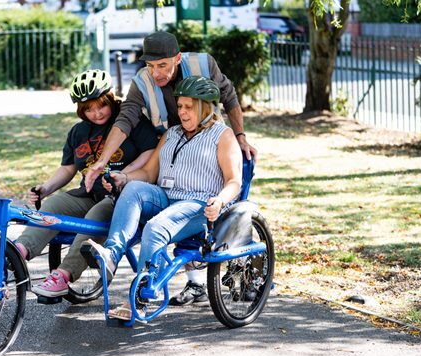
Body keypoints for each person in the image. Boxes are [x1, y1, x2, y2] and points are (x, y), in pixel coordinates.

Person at [84, 30, 256, 305]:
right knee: (136, 188)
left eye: (162, 65)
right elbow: (130, 128)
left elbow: (230, 97)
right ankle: (111, 255)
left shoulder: (218, 126)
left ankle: (144, 288)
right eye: (150, 66)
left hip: (199, 198)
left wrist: (240, 136)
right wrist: (120, 174)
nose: (155, 73)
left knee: (157, 225)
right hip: (169, 190)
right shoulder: (168, 129)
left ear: (177, 59)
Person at [14, 69, 159, 298]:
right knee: (53, 204)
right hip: (88, 193)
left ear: (110, 98)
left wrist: (125, 174)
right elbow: (69, 168)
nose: (96, 113)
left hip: (121, 197)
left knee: (96, 214)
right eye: (88, 109)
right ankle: (17, 253)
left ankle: (62, 276)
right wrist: (46, 188)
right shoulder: (79, 132)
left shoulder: (130, 121)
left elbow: (151, 153)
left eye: (100, 105)